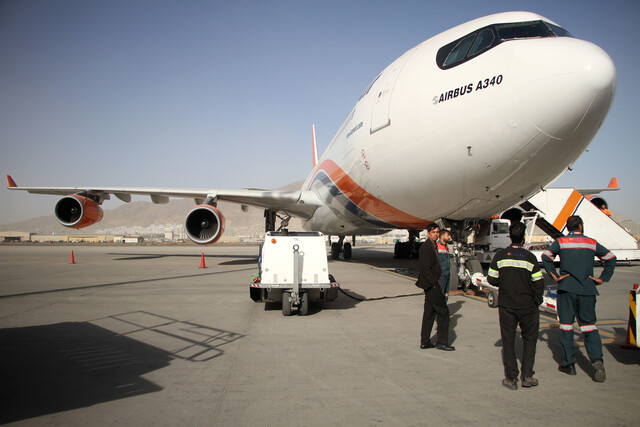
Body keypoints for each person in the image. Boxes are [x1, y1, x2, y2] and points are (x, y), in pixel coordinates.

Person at [542, 215, 616, 382]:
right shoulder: (591, 243)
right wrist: (602, 278)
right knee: (589, 327)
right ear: (581, 226)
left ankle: (569, 364)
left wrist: (554, 275)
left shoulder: (561, 242)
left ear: (567, 228)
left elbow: (546, 256)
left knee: (566, 327)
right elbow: (611, 258)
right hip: (587, 290)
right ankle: (597, 361)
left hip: (567, 289)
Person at [488, 222, 544, 390]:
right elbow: (538, 282)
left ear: (509, 236)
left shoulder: (501, 256)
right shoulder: (530, 257)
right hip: (528, 306)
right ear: (524, 237)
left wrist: (504, 282)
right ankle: (527, 376)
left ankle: (511, 378)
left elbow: (491, 279)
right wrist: (536, 299)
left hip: (507, 305)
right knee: (530, 341)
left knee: (508, 340)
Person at [417, 223, 455, 351]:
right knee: (443, 312)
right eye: (433, 232)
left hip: (431, 284)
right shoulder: (426, 247)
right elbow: (425, 269)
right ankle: (442, 342)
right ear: (428, 233)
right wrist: (434, 284)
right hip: (432, 285)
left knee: (429, 313)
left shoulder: (433, 246)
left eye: (437, 232)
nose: (436, 234)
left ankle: (425, 341)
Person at [436, 229, 453, 302]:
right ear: (442, 236)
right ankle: (438, 311)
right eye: (448, 235)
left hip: (447, 274)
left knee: (445, 294)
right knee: (440, 293)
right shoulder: (437, 246)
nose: (449, 237)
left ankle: (443, 309)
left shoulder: (446, 247)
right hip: (441, 275)